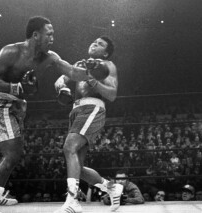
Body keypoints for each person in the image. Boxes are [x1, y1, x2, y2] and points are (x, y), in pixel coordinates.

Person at [0, 16, 95, 213]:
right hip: (0, 104)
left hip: (17, 106)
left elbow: (73, 72)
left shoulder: (49, 57)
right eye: (49, 34)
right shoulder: (11, 51)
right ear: (36, 35)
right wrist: (15, 88)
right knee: (12, 155)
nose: (52, 38)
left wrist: (93, 70)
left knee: (13, 155)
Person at [54, 36, 124, 213]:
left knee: (69, 147)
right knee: (78, 166)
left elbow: (112, 94)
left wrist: (93, 79)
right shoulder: (80, 63)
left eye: (101, 44)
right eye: (94, 41)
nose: (95, 44)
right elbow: (60, 80)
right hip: (76, 110)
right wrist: (62, 86)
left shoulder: (108, 66)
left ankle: (72, 201)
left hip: (93, 107)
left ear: (106, 52)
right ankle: (111, 188)